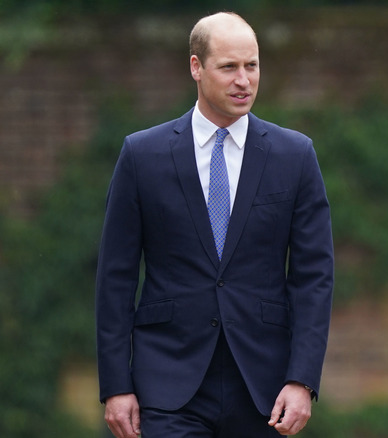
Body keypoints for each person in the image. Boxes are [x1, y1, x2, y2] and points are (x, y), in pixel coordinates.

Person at [95, 12, 334, 438]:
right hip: (166, 381)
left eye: (252, 65)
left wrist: (302, 380)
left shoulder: (295, 156)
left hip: (264, 386)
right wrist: (116, 385)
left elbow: (314, 277)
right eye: (229, 67)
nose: (244, 80)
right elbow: (115, 277)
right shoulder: (141, 155)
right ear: (196, 67)